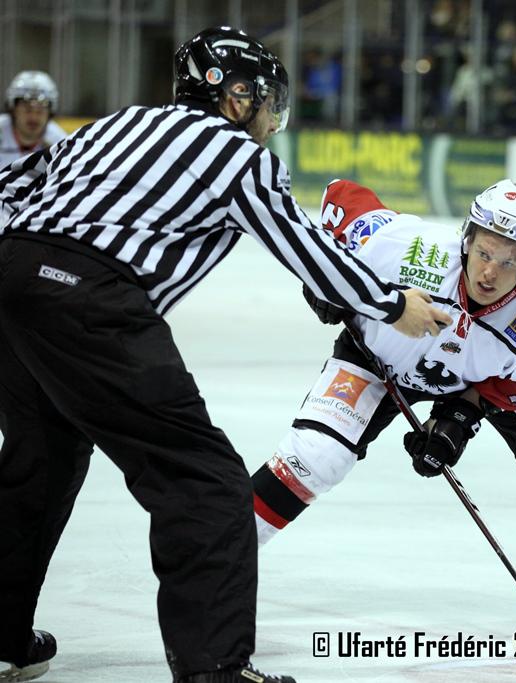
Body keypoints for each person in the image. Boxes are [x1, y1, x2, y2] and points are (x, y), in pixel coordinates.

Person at [0, 26, 450, 683]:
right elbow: (304, 248)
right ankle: (214, 669)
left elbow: (18, 195)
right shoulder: (236, 155)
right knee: (205, 485)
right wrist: (388, 304)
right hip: (92, 300)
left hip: (12, 282)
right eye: (267, 102)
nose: (271, 119)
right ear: (236, 97)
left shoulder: (113, 124)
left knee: (40, 461)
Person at [252, 178, 516, 599]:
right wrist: (328, 277)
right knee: (315, 456)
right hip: (381, 356)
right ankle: (222, 555)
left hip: (481, 377)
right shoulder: (404, 246)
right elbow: (340, 194)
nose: (490, 273)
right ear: (467, 240)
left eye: (508, 262)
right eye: (484, 253)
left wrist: (461, 417)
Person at [0, 71, 66, 168]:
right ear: (13, 110)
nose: (33, 117)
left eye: (40, 110)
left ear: (50, 113)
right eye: (27, 109)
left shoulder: (60, 144)